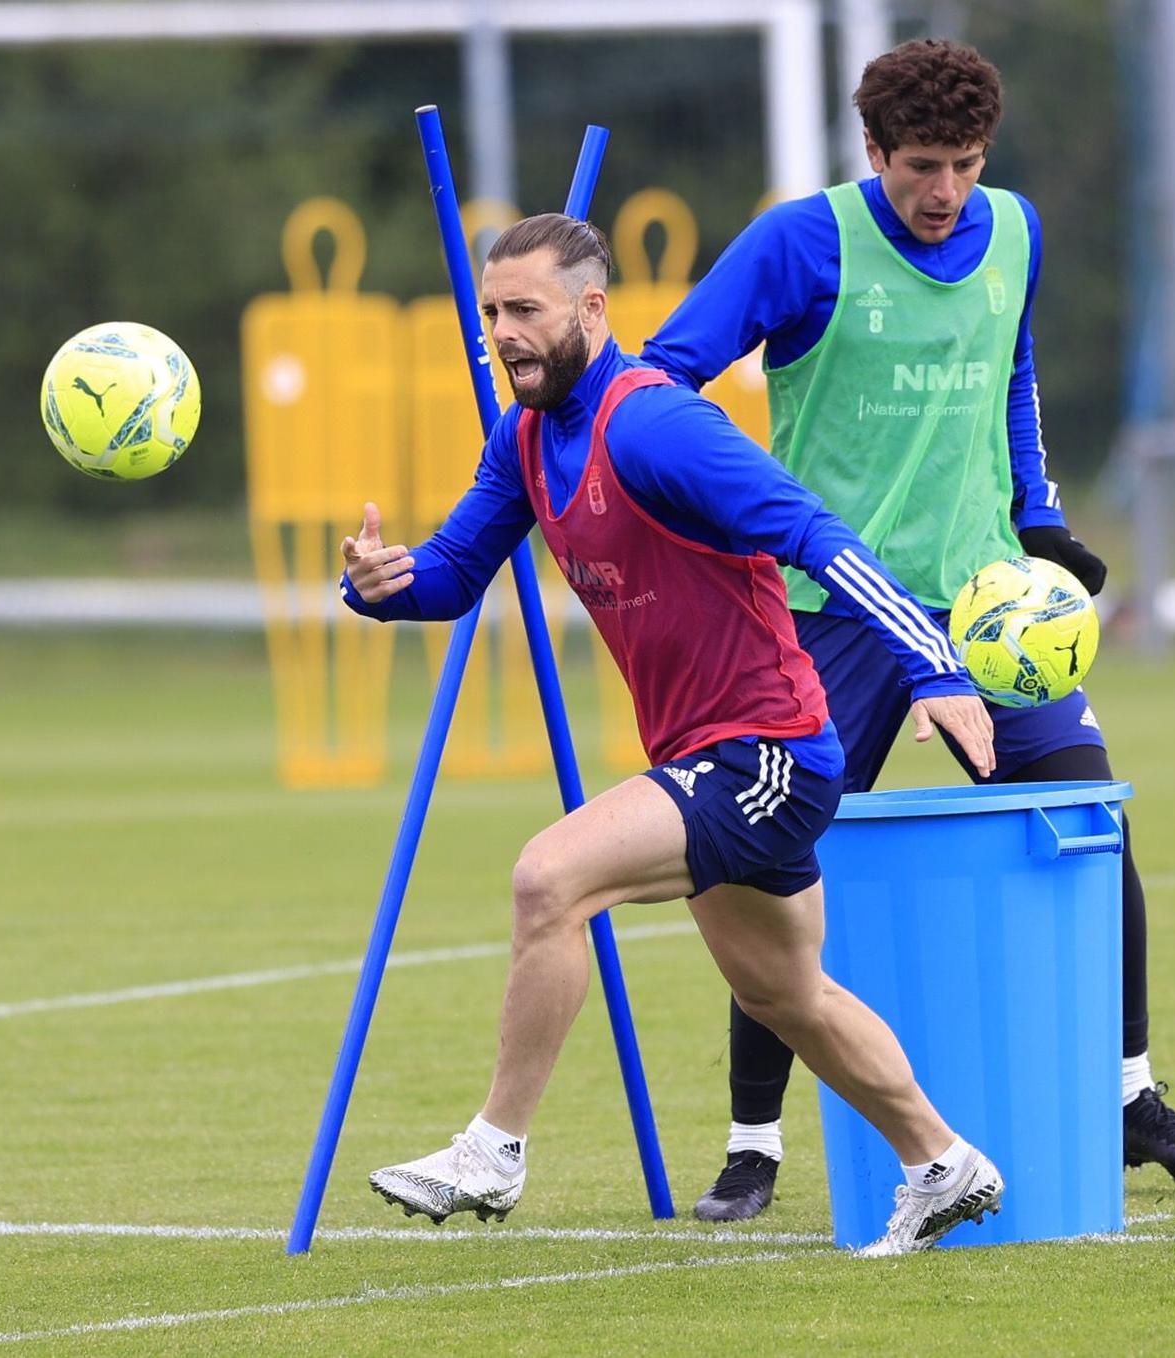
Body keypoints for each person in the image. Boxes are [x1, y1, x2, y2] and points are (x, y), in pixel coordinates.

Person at [340, 212, 1006, 1256]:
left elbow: (814, 529)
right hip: (705, 753)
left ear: (591, 309)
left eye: (525, 310)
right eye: (490, 315)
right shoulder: (522, 439)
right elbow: (452, 573)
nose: (504, 334)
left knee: (548, 877)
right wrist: (380, 587)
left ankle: (492, 1149)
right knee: (788, 994)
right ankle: (940, 1163)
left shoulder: (654, 425)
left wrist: (933, 663)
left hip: (767, 751)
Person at [643, 37, 1175, 1224]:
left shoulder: (1014, 230)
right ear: (871, 152)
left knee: (1086, 816)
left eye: (963, 163)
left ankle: (1126, 1091)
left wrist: (1039, 516)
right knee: (765, 868)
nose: (943, 191)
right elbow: (659, 384)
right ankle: (754, 1144)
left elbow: (1010, 374)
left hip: (985, 608)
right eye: (919, 166)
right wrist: (738, 518)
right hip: (829, 610)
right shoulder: (801, 242)